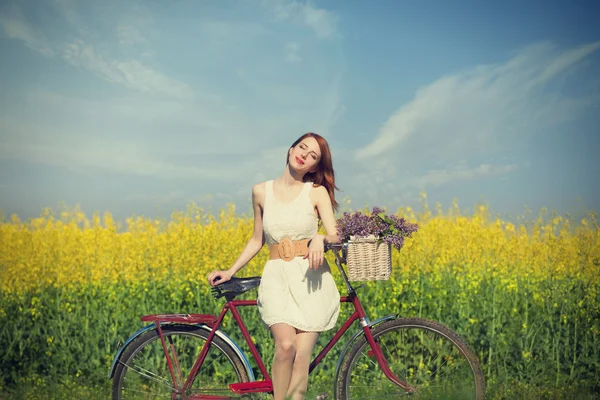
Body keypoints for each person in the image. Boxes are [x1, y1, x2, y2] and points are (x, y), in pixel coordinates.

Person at [208, 132, 341, 400]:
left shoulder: (316, 193)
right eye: (302, 147)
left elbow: (335, 235)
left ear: (314, 167)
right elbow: (257, 239)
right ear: (291, 148)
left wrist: (320, 238)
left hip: (312, 279)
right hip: (277, 278)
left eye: (312, 155)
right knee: (285, 346)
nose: (304, 154)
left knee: (301, 359)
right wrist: (230, 271)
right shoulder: (261, 191)